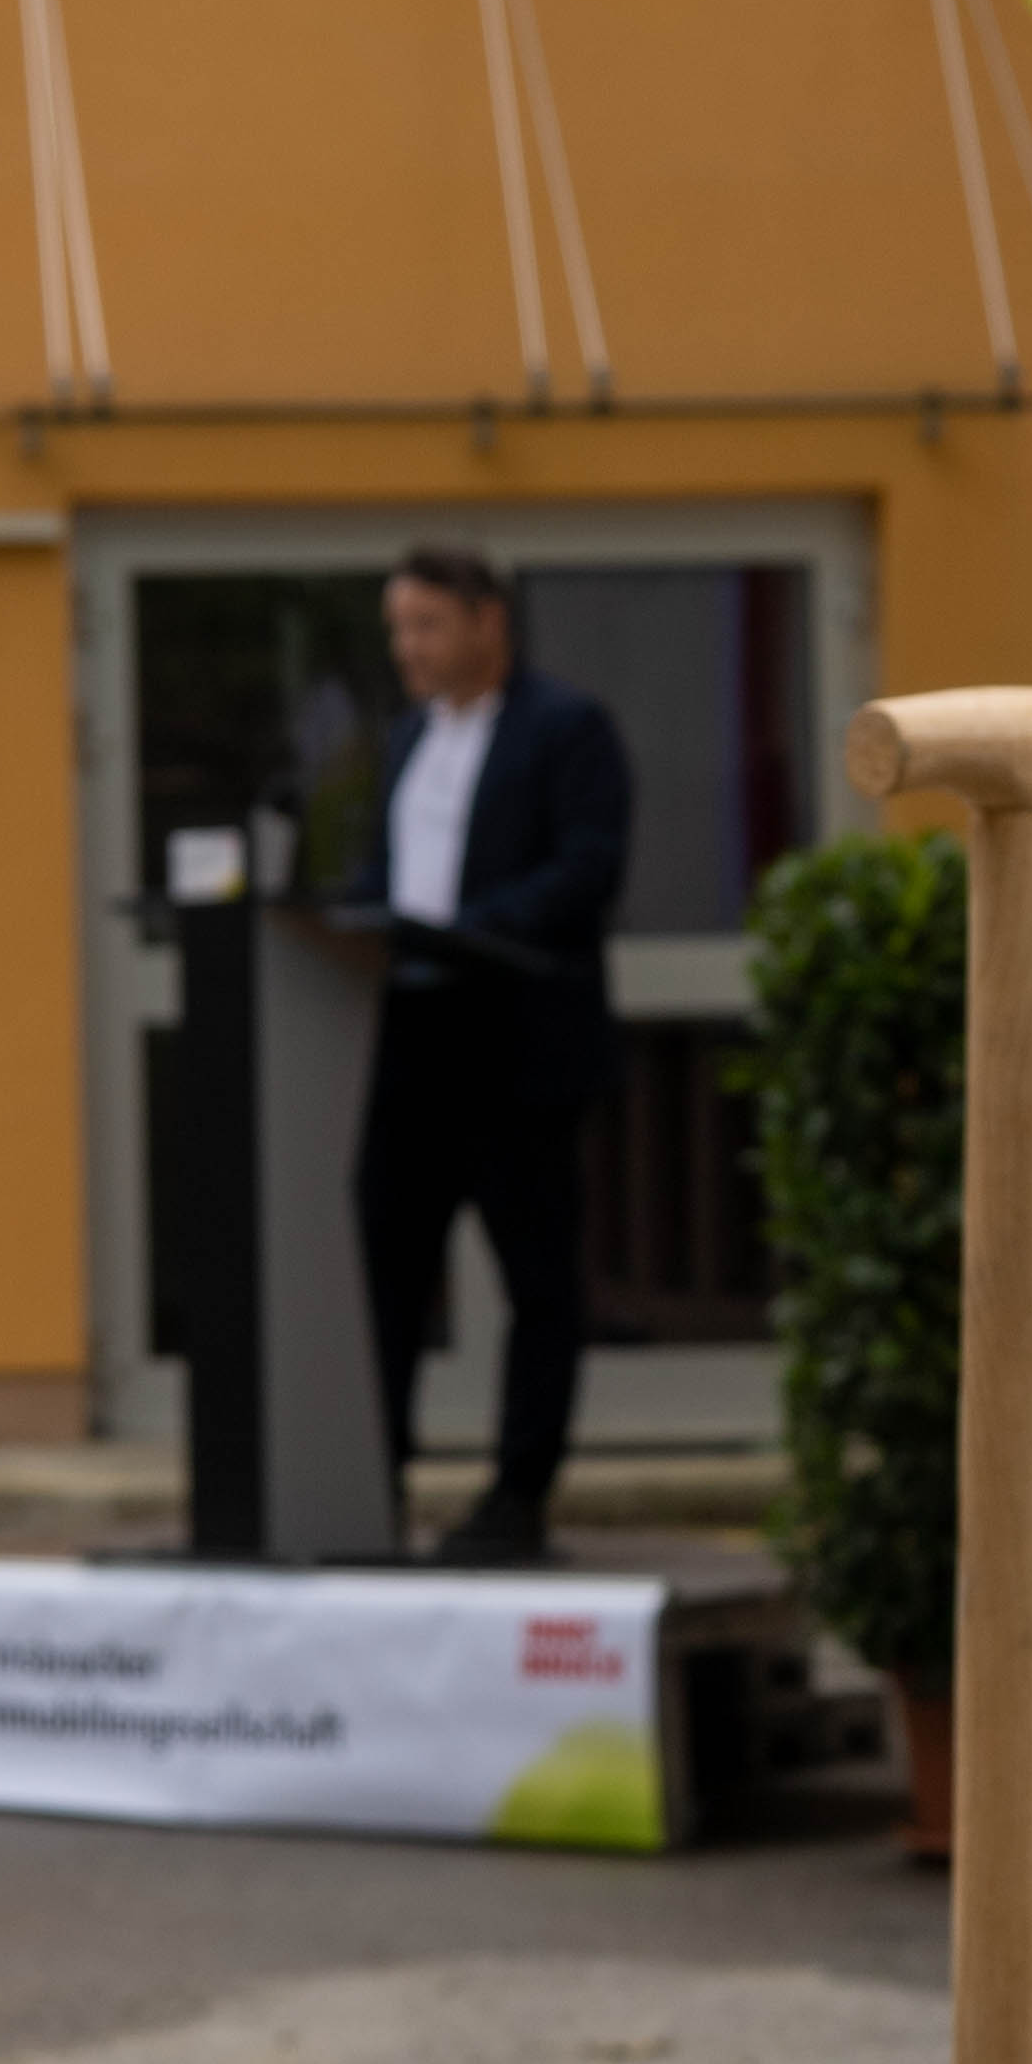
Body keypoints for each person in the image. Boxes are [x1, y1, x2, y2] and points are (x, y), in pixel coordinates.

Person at [342, 543, 633, 1567]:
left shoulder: (566, 728)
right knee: (381, 1267)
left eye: (423, 625)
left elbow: (589, 865)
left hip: (518, 1048)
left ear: (486, 623)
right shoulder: (409, 735)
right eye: (397, 629)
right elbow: (390, 866)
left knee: (538, 1279)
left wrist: (465, 927)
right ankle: (368, 1479)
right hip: (412, 1045)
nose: (406, 648)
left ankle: (518, 1491)